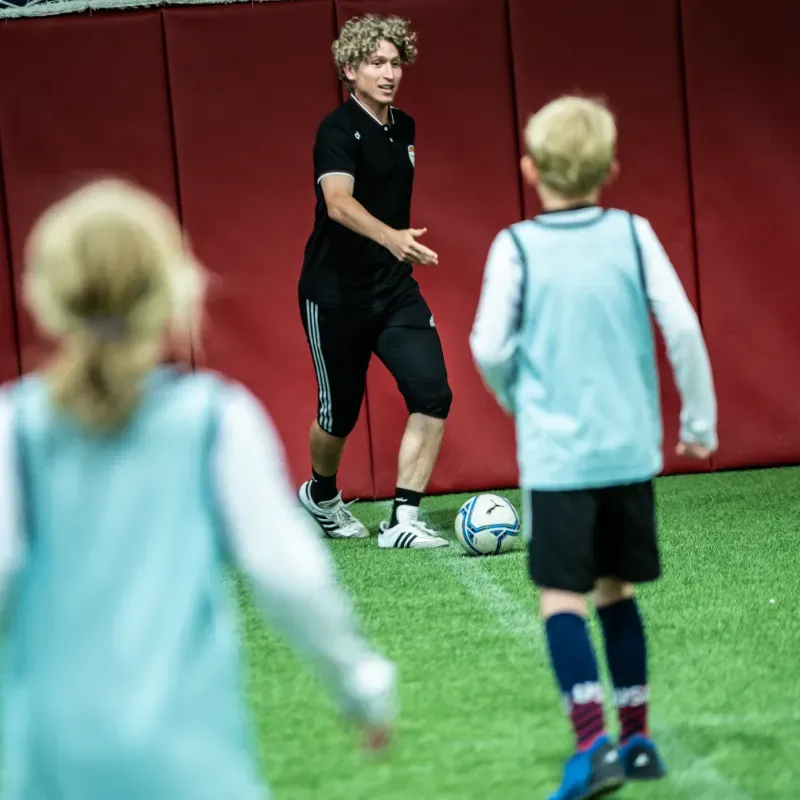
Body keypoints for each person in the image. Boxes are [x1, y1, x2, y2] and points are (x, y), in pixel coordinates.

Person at [0, 179, 396, 799]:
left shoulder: (13, 428)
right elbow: (288, 575)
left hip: (49, 764)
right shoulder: (216, 420)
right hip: (190, 762)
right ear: (173, 289)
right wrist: (361, 684)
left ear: (46, 294)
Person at [469, 95, 718, 800]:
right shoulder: (636, 235)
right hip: (627, 453)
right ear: (611, 167)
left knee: (561, 597)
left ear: (528, 168)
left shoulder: (514, 245)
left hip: (557, 460)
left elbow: (488, 346)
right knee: (617, 589)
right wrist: (698, 423)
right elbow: (684, 327)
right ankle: (639, 741)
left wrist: (517, 396)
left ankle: (592, 747)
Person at [297, 13, 450, 549]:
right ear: (350, 69)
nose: (389, 73)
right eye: (376, 63)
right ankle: (321, 494)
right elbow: (337, 203)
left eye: (394, 62)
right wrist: (391, 237)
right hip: (334, 294)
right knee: (337, 415)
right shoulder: (336, 130)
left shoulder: (403, 126)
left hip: (393, 289)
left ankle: (403, 518)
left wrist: (393, 250)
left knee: (433, 392)